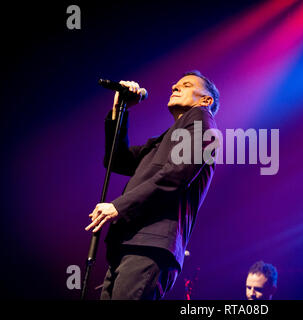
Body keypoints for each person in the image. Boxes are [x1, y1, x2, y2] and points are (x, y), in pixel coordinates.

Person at [85, 70, 220, 300]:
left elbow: (177, 174)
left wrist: (119, 206)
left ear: (206, 101)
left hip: (150, 245)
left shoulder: (202, 119)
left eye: (186, 85)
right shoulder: (165, 139)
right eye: (175, 84)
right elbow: (117, 160)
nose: (175, 87)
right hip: (131, 244)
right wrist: (121, 109)